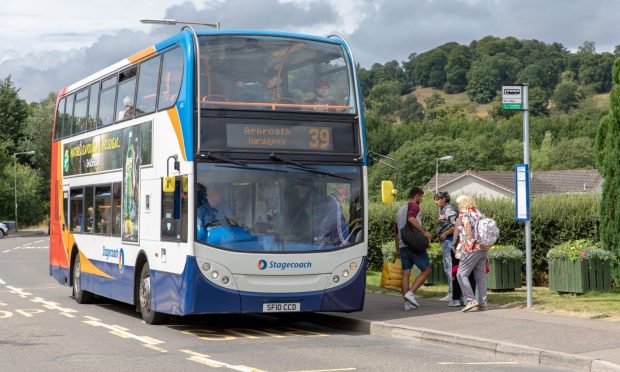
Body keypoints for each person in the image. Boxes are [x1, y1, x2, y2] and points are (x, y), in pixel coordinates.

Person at [395, 186, 433, 310]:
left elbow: (396, 232)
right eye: (421, 197)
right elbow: (411, 218)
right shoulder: (415, 206)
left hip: (402, 245)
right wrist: (424, 232)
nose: (421, 199)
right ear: (417, 196)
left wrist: (397, 250)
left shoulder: (400, 210)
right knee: (426, 270)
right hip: (414, 244)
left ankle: (407, 304)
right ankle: (411, 293)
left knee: (406, 273)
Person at [453, 194, 488, 312]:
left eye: (459, 203)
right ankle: (483, 304)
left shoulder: (465, 213)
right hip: (483, 248)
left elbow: (467, 225)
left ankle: (471, 300)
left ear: (462, 203)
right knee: (481, 277)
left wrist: (469, 241)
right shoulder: (478, 213)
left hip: (471, 248)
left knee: (461, 274)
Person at [434, 191, 458, 302]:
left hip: (449, 241)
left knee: (449, 267)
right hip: (448, 241)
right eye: (435, 199)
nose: (436, 201)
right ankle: (453, 292)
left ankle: (452, 293)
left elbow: (457, 225)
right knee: (449, 267)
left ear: (444, 198)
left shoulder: (448, 210)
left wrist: (445, 233)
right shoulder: (444, 209)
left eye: (438, 198)